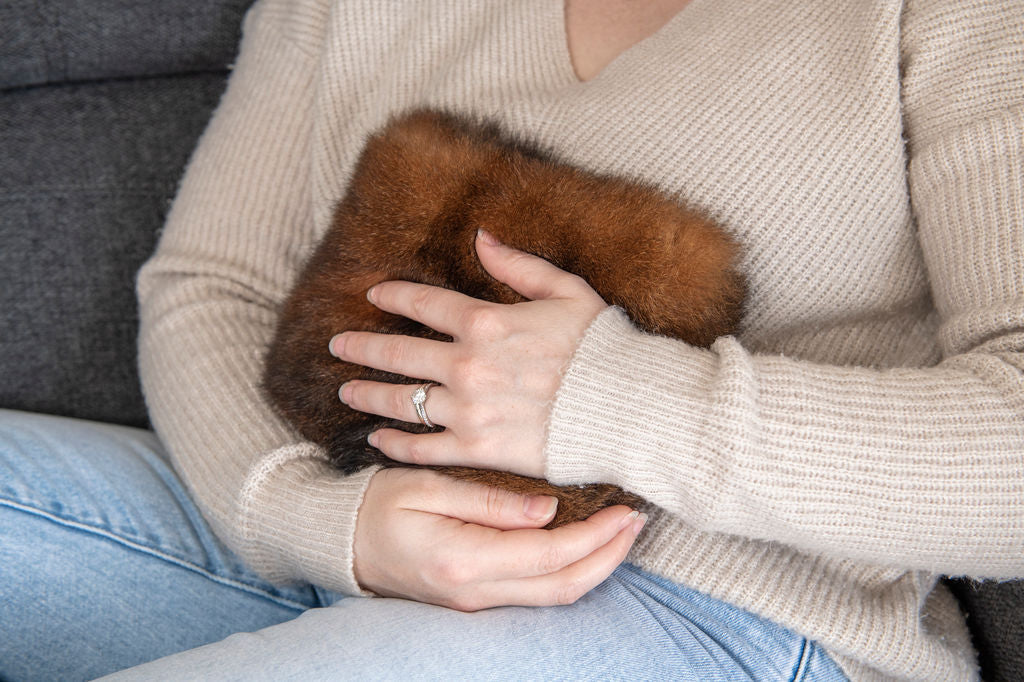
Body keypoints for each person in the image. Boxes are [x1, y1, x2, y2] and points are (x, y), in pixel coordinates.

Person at [2, 0, 1021, 679]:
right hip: (344, 515)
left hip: (727, 612)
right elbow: (212, 286)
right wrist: (315, 520)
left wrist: (611, 400)